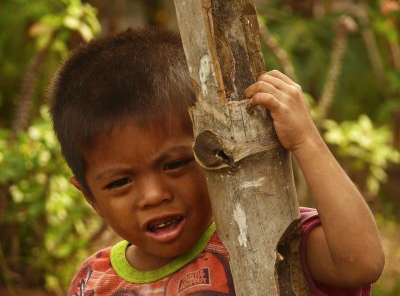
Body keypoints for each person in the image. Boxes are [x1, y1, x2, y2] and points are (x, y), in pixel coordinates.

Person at [49, 27, 384, 296]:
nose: (154, 195)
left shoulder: (260, 232)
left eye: (175, 164)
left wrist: (305, 139)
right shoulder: (93, 283)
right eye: (119, 182)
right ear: (89, 195)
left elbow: (360, 262)